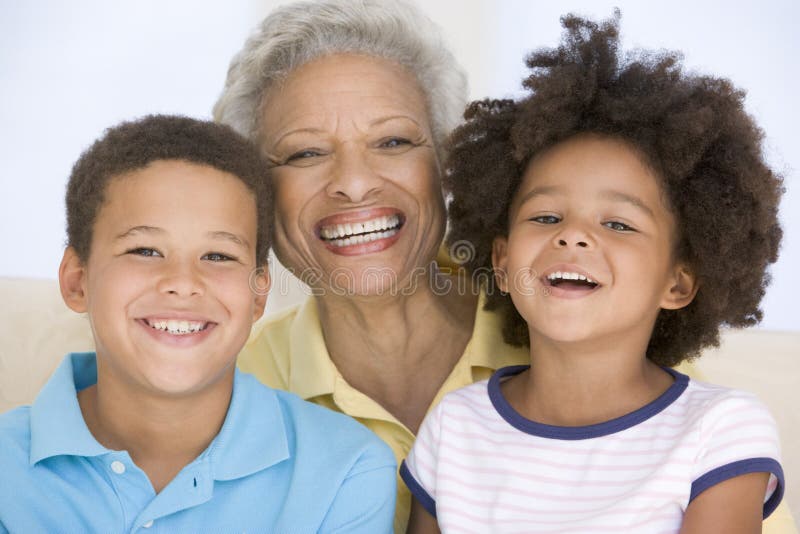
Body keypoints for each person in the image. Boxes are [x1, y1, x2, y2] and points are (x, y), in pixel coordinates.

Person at [214, 1, 796, 532]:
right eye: (305, 153)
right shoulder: (227, 390)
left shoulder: (633, 353)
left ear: (446, 162)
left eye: (393, 142)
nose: (356, 183)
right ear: (258, 192)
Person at [401, 12, 785, 533]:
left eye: (619, 223)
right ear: (503, 261)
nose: (574, 235)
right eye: (545, 217)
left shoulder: (718, 429)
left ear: (678, 283)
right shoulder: (456, 426)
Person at [0, 115, 396, 532]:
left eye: (218, 256)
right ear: (77, 280)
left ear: (259, 292)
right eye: (146, 250)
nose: (183, 283)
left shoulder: (345, 470)